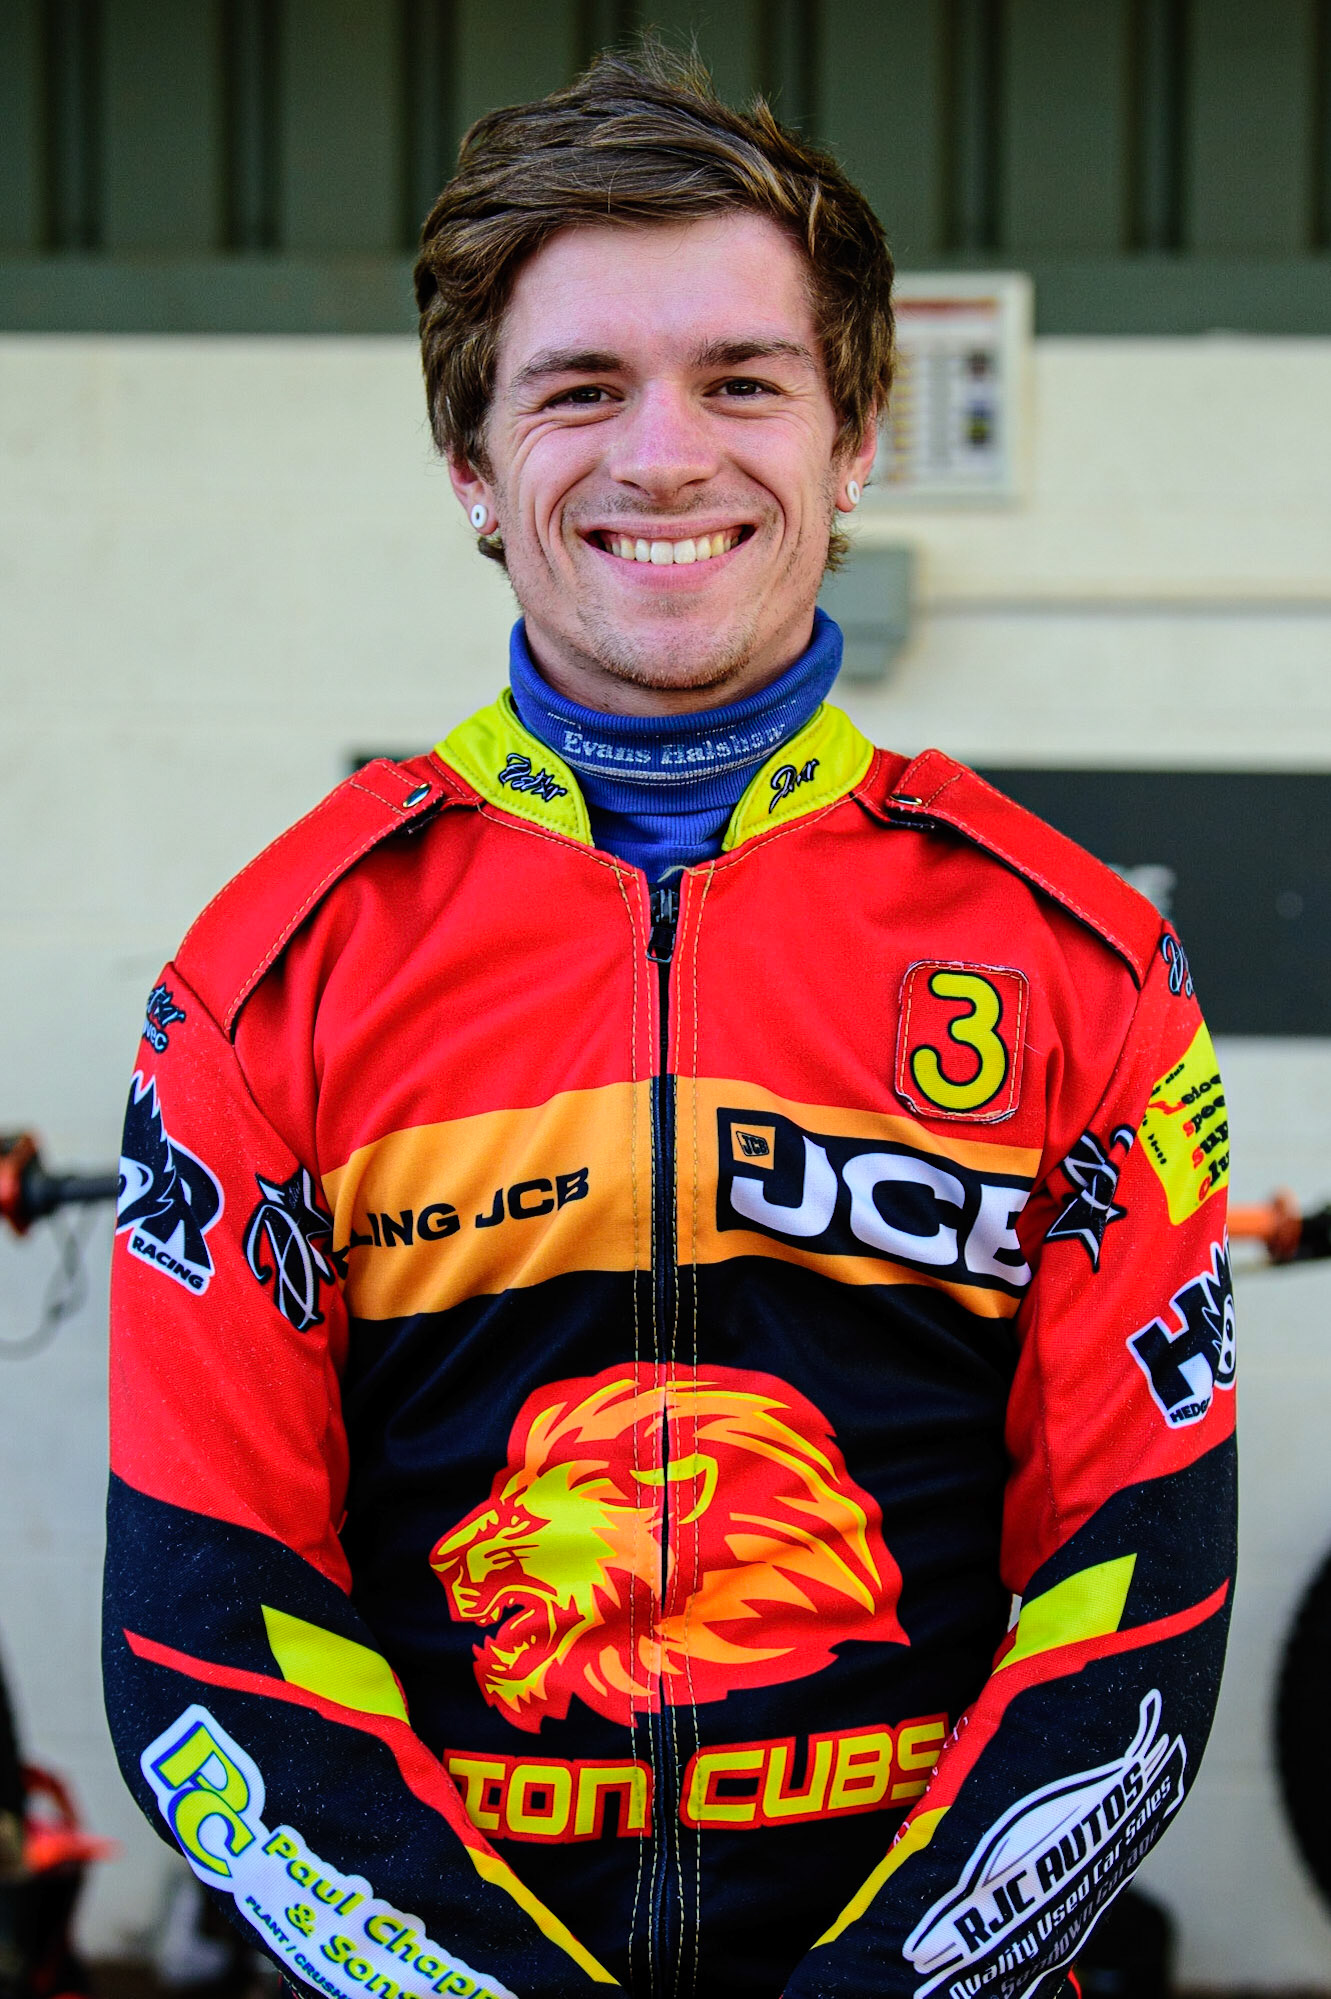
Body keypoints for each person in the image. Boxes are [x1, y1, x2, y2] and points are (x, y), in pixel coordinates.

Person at [103, 46, 1236, 1999]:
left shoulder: (1084, 966)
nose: (662, 456)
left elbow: (1133, 1605)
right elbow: (207, 1638)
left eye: (741, 381)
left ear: (854, 437)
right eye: (578, 389)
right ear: (472, 466)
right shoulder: (268, 974)